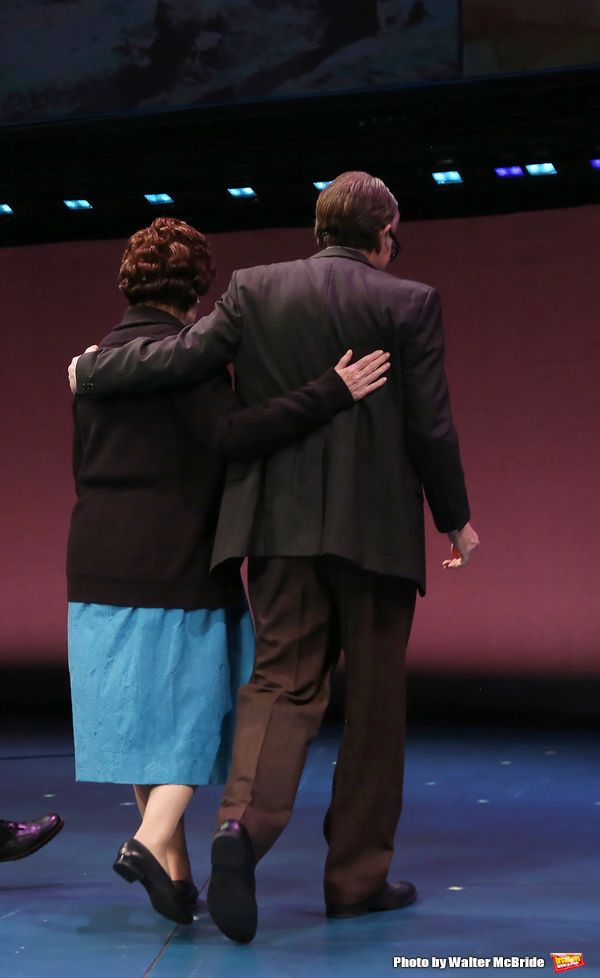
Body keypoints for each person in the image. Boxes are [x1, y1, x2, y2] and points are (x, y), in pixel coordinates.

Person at [68, 172, 479, 942]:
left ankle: (239, 833)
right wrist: (455, 519)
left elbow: (176, 355)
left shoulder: (254, 290)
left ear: (320, 226)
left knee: (281, 684)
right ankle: (356, 881)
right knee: (376, 709)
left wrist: (90, 370)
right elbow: (430, 425)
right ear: (383, 233)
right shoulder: (409, 301)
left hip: (278, 532)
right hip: (378, 536)